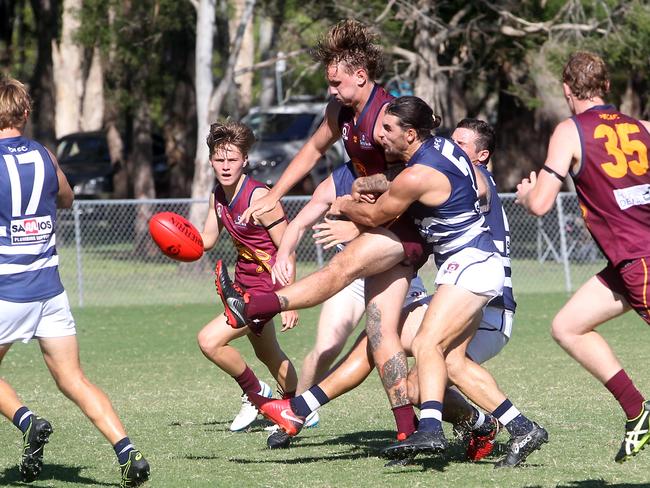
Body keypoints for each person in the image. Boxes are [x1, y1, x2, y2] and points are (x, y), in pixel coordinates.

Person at [252, 118, 517, 464]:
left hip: (488, 305)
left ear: (481, 156)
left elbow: (457, 193)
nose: (453, 147)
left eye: (462, 144)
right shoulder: (443, 167)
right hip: (463, 287)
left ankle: (486, 424)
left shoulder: (470, 177)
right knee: (377, 339)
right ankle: (299, 409)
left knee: (417, 382)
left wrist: (357, 218)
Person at [227, 19, 428, 444]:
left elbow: (407, 183)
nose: (332, 91)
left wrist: (351, 213)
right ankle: (412, 431)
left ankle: (256, 304)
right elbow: (314, 150)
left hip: (402, 229)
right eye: (329, 83)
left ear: (361, 76)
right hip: (378, 227)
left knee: (340, 269)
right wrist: (275, 196)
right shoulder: (341, 112)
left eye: (337, 83)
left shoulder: (385, 120)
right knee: (380, 335)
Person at [0, 77, 149, 487]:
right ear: (25, 113)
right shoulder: (46, 156)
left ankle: (28, 422)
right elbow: (66, 199)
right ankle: (128, 452)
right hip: (49, 291)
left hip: (6, 291)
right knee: (74, 380)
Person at [515, 51, 650, 463]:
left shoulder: (569, 131)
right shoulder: (644, 127)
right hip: (628, 260)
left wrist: (524, 194)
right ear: (607, 87)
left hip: (640, 259)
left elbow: (540, 204)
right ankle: (638, 412)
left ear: (567, 90)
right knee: (568, 325)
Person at [267, 161, 428, 448]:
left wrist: (357, 227)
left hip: (396, 273)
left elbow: (407, 219)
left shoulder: (400, 173)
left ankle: (444, 420)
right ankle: (294, 415)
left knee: (424, 348)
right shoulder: (339, 179)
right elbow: (300, 224)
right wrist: (283, 255)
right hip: (351, 277)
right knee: (325, 349)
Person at [196, 120, 299, 432]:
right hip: (242, 284)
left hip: (265, 290)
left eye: (232, 159)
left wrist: (290, 299)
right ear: (211, 161)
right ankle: (296, 408)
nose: (225, 166)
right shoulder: (218, 196)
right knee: (270, 355)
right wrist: (174, 242)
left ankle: (257, 396)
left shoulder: (260, 198)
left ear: (245, 161)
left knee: (209, 341)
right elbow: (206, 241)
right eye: (219, 159)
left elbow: (288, 248)